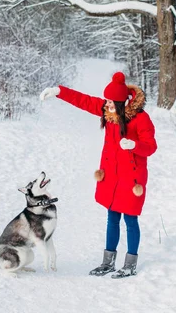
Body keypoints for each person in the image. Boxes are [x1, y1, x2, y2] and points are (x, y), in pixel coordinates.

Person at [40, 72, 158, 278]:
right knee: (112, 218)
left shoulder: (140, 118)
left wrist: (134, 145)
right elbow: (84, 101)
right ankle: (108, 262)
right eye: (107, 101)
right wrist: (60, 92)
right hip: (111, 177)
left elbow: (151, 147)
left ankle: (130, 264)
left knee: (130, 220)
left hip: (132, 179)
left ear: (123, 102)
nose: (108, 104)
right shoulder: (108, 112)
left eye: (112, 102)